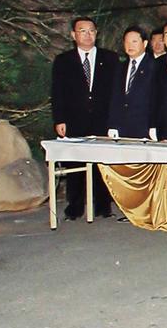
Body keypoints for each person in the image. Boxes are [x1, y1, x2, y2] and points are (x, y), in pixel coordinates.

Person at [50, 16, 118, 219]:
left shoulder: (111, 58)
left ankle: (103, 205)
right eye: (82, 31)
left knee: (102, 165)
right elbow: (57, 92)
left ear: (96, 34)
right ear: (73, 35)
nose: (87, 35)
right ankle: (75, 206)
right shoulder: (63, 61)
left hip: (102, 120)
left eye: (91, 31)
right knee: (75, 164)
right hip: (74, 120)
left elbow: (116, 93)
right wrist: (59, 119)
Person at [107, 25, 159, 140]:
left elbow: (156, 100)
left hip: (145, 129)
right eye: (127, 42)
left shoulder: (155, 66)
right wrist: (112, 125)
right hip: (121, 129)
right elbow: (115, 98)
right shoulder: (120, 67)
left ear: (145, 44)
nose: (130, 45)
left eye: (134, 41)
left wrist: (153, 125)